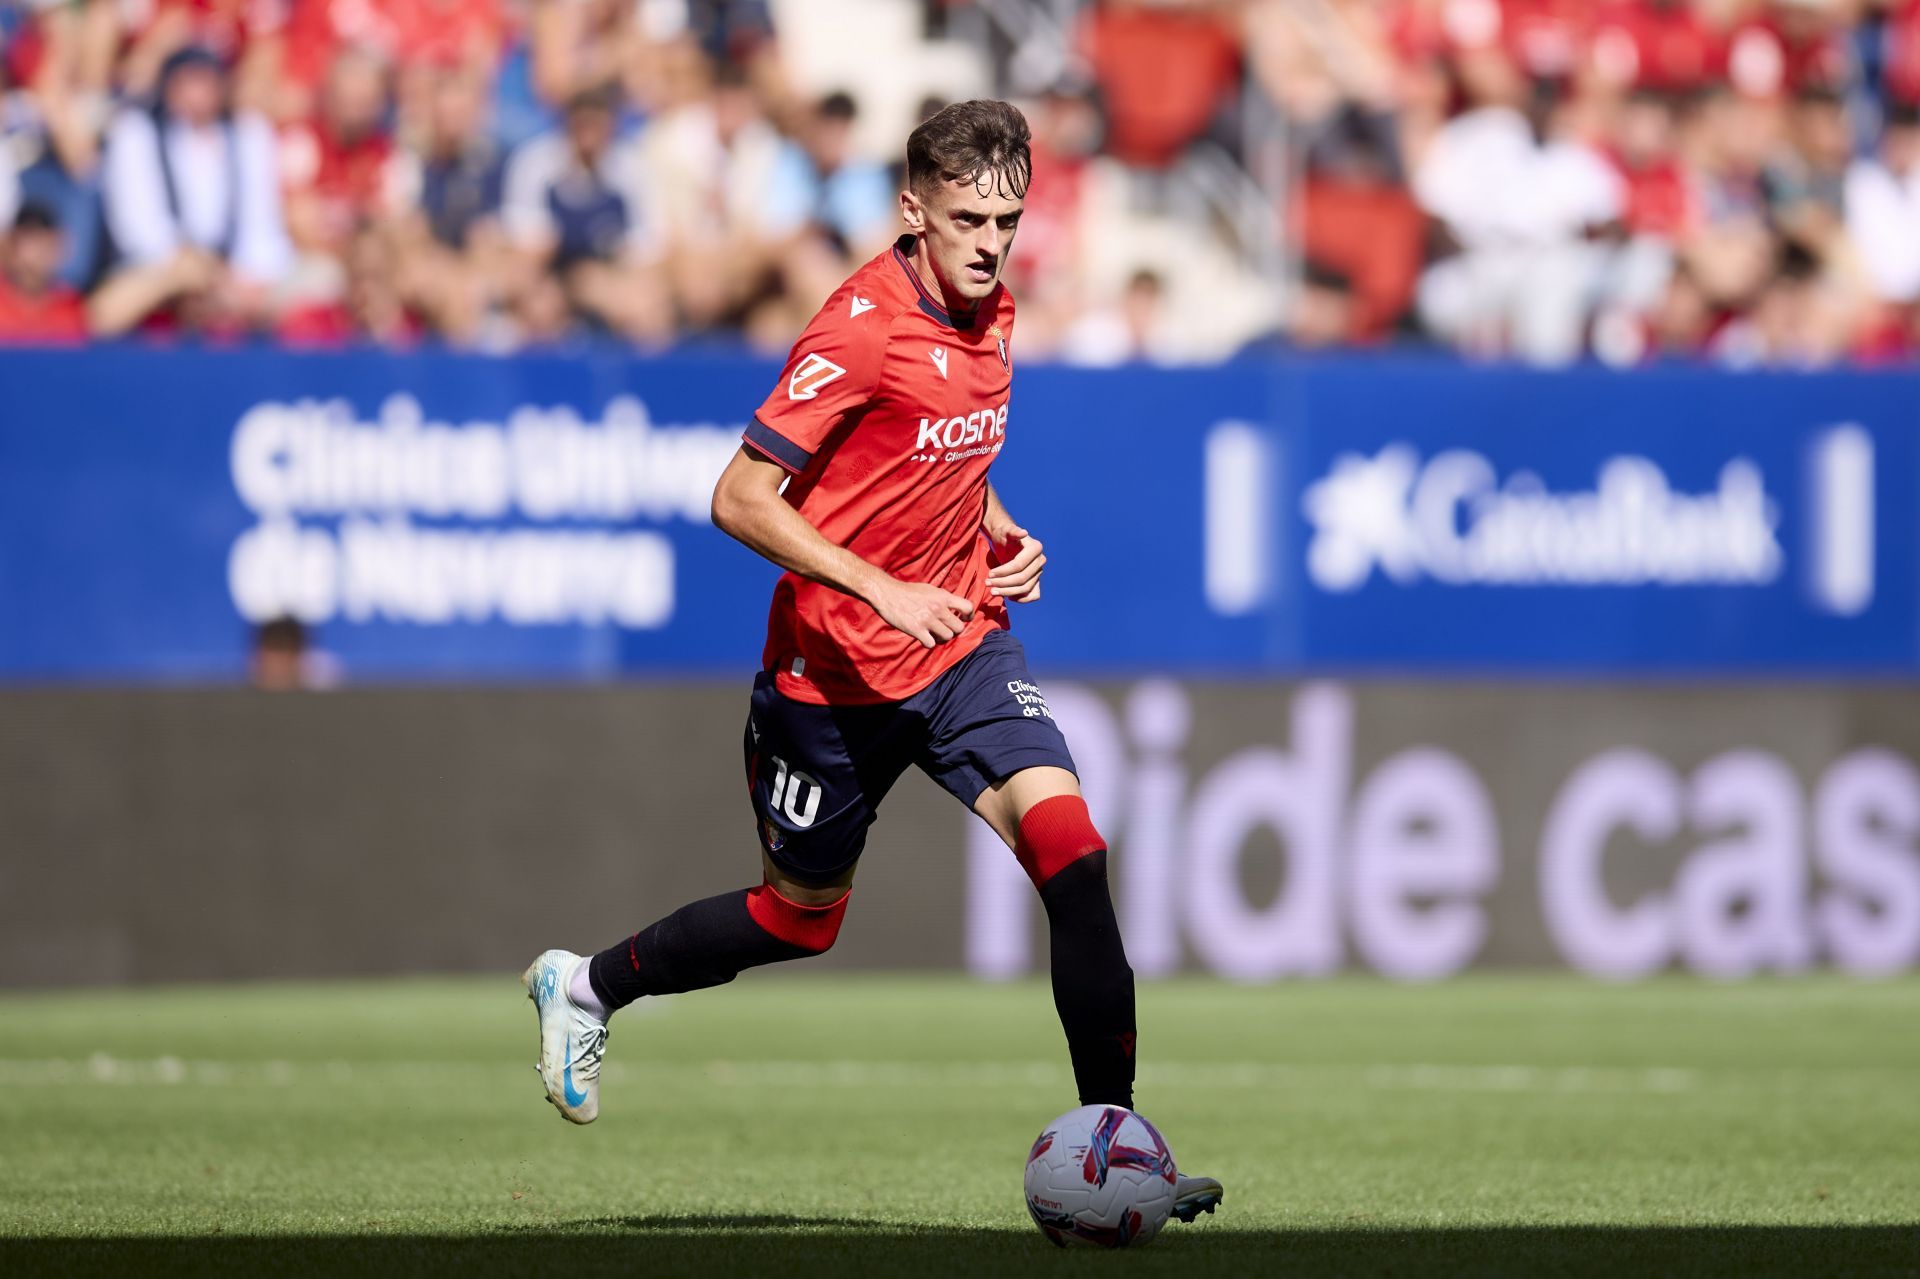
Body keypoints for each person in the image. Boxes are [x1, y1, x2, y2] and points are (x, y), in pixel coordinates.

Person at [520, 98, 1223, 1225]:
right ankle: (586, 985)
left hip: (963, 647)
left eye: (1007, 216)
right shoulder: (859, 324)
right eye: (967, 218)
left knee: (1075, 858)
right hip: (832, 679)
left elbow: (930, 453)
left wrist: (995, 528)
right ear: (913, 209)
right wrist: (878, 584)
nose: (991, 242)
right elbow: (739, 495)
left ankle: (1119, 1145)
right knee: (800, 918)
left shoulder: (995, 310)